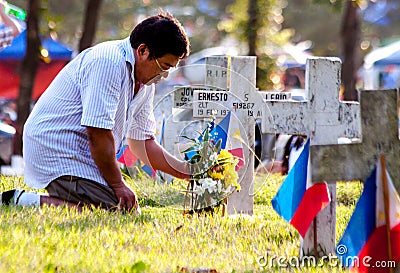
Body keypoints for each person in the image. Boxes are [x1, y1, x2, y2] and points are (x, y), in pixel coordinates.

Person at [0, 11, 191, 213]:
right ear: (143, 51)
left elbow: (142, 142)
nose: (164, 75)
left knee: (125, 210)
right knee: (116, 210)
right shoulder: (108, 62)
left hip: (84, 153)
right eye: (164, 66)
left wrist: (185, 171)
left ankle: (36, 201)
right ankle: (18, 200)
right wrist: (118, 185)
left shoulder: (144, 83)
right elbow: (97, 132)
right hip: (57, 147)